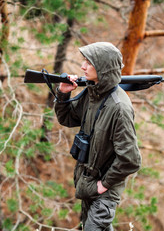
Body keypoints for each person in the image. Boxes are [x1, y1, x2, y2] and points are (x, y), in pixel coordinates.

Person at [54, 42, 142, 230]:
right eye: (83, 61)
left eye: (88, 62)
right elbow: (68, 118)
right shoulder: (92, 93)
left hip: (104, 190)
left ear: (102, 68)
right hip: (88, 183)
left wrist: (104, 184)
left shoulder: (119, 108)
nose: (82, 67)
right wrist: (62, 94)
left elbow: (131, 160)